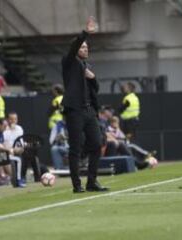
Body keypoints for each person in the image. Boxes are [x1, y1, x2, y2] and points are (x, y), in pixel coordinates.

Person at [61, 16, 108, 193]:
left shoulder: (86, 66)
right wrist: (85, 33)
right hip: (75, 111)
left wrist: (93, 77)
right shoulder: (69, 61)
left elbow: (95, 88)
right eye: (82, 47)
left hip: (89, 111)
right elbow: (73, 48)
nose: (85, 49)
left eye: (87, 47)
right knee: (75, 147)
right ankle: (77, 185)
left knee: (96, 144)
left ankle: (92, 182)